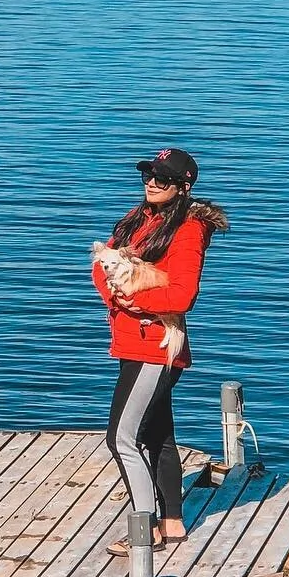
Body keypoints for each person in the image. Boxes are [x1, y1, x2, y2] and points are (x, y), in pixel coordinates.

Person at [92, 148, 228, 548]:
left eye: (163, 178)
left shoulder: (187, 229)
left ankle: (143, 532)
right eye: (149, 175)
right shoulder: (139, 219)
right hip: (133, 344)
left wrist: (134, 302)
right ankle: (172, 522)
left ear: (183, 186)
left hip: (156, 348)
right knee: (157, 436)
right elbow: (104, 264)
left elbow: (183, 294)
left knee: (120, 438)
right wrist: (115, 297)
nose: (152, 182)